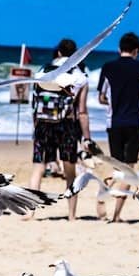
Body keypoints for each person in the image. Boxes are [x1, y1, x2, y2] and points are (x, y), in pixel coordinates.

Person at [28, 38, 91, 221]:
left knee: (38, 168)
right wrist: (86, 137)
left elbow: (34, 102)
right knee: (69, 171)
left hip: (43, 124)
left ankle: (31, 212)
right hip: (67, 126)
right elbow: (82, 111)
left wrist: (36, 127)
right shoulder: (79, 75)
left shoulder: (43, 70)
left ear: (58, 53)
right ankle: (71, 215)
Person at [98, 31, 139, 222]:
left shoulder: (108, 66)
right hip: (134, 123)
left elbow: (101, 98)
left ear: (119, 49)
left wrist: (113, 102)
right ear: (136, 51)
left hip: (113, 123)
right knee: (129, 170)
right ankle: (116, 215)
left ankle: (102, 195)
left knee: (116, 166)